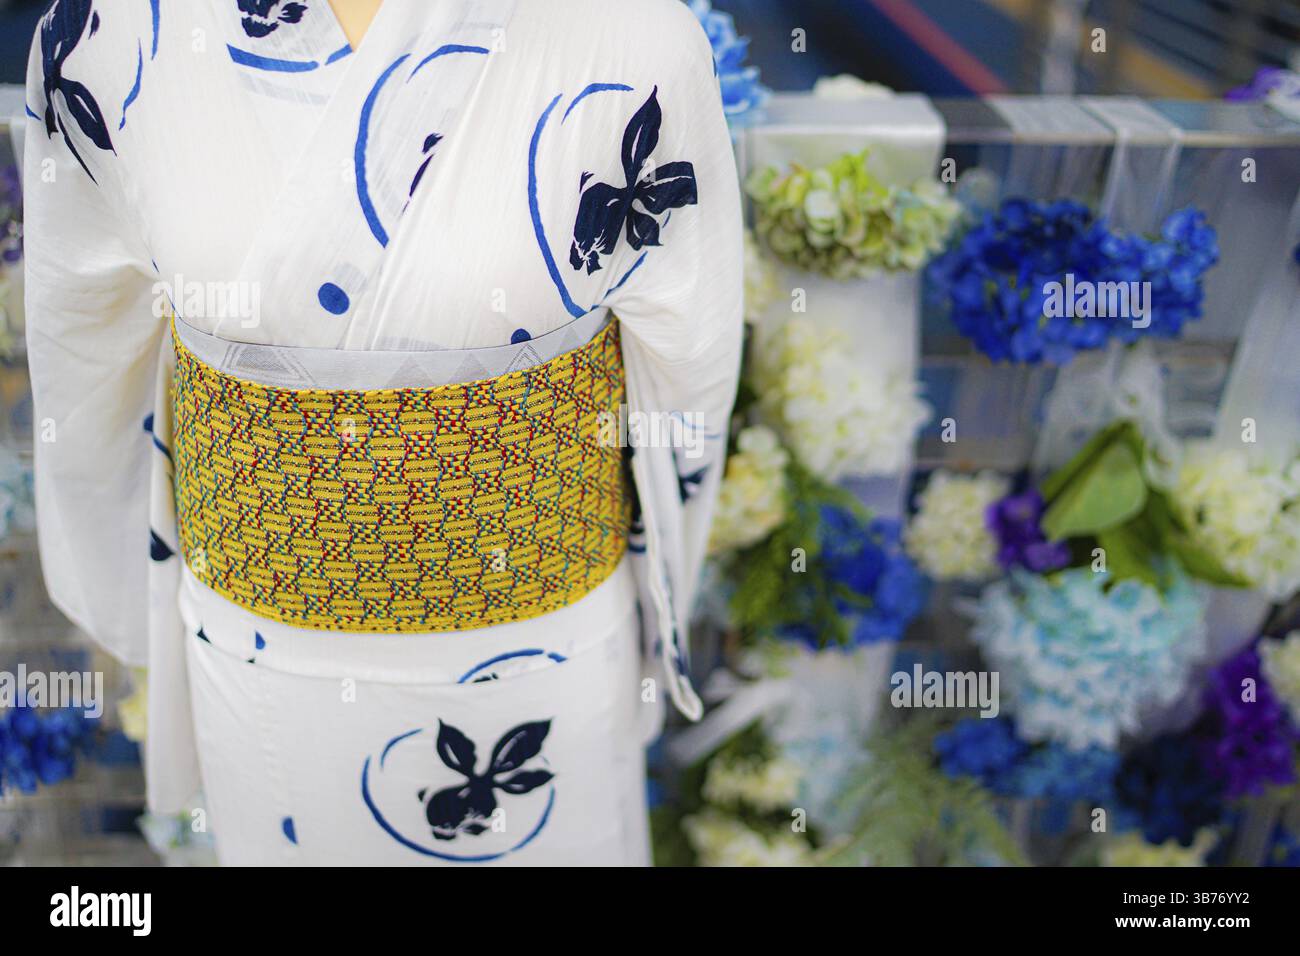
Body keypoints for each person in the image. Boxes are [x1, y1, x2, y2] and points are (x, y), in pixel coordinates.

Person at [23, 0, 741, 865]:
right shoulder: (113, 29)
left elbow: (691, 363)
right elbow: (79, 322)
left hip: (538, 642)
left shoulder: (631, 31)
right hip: (258, 645)